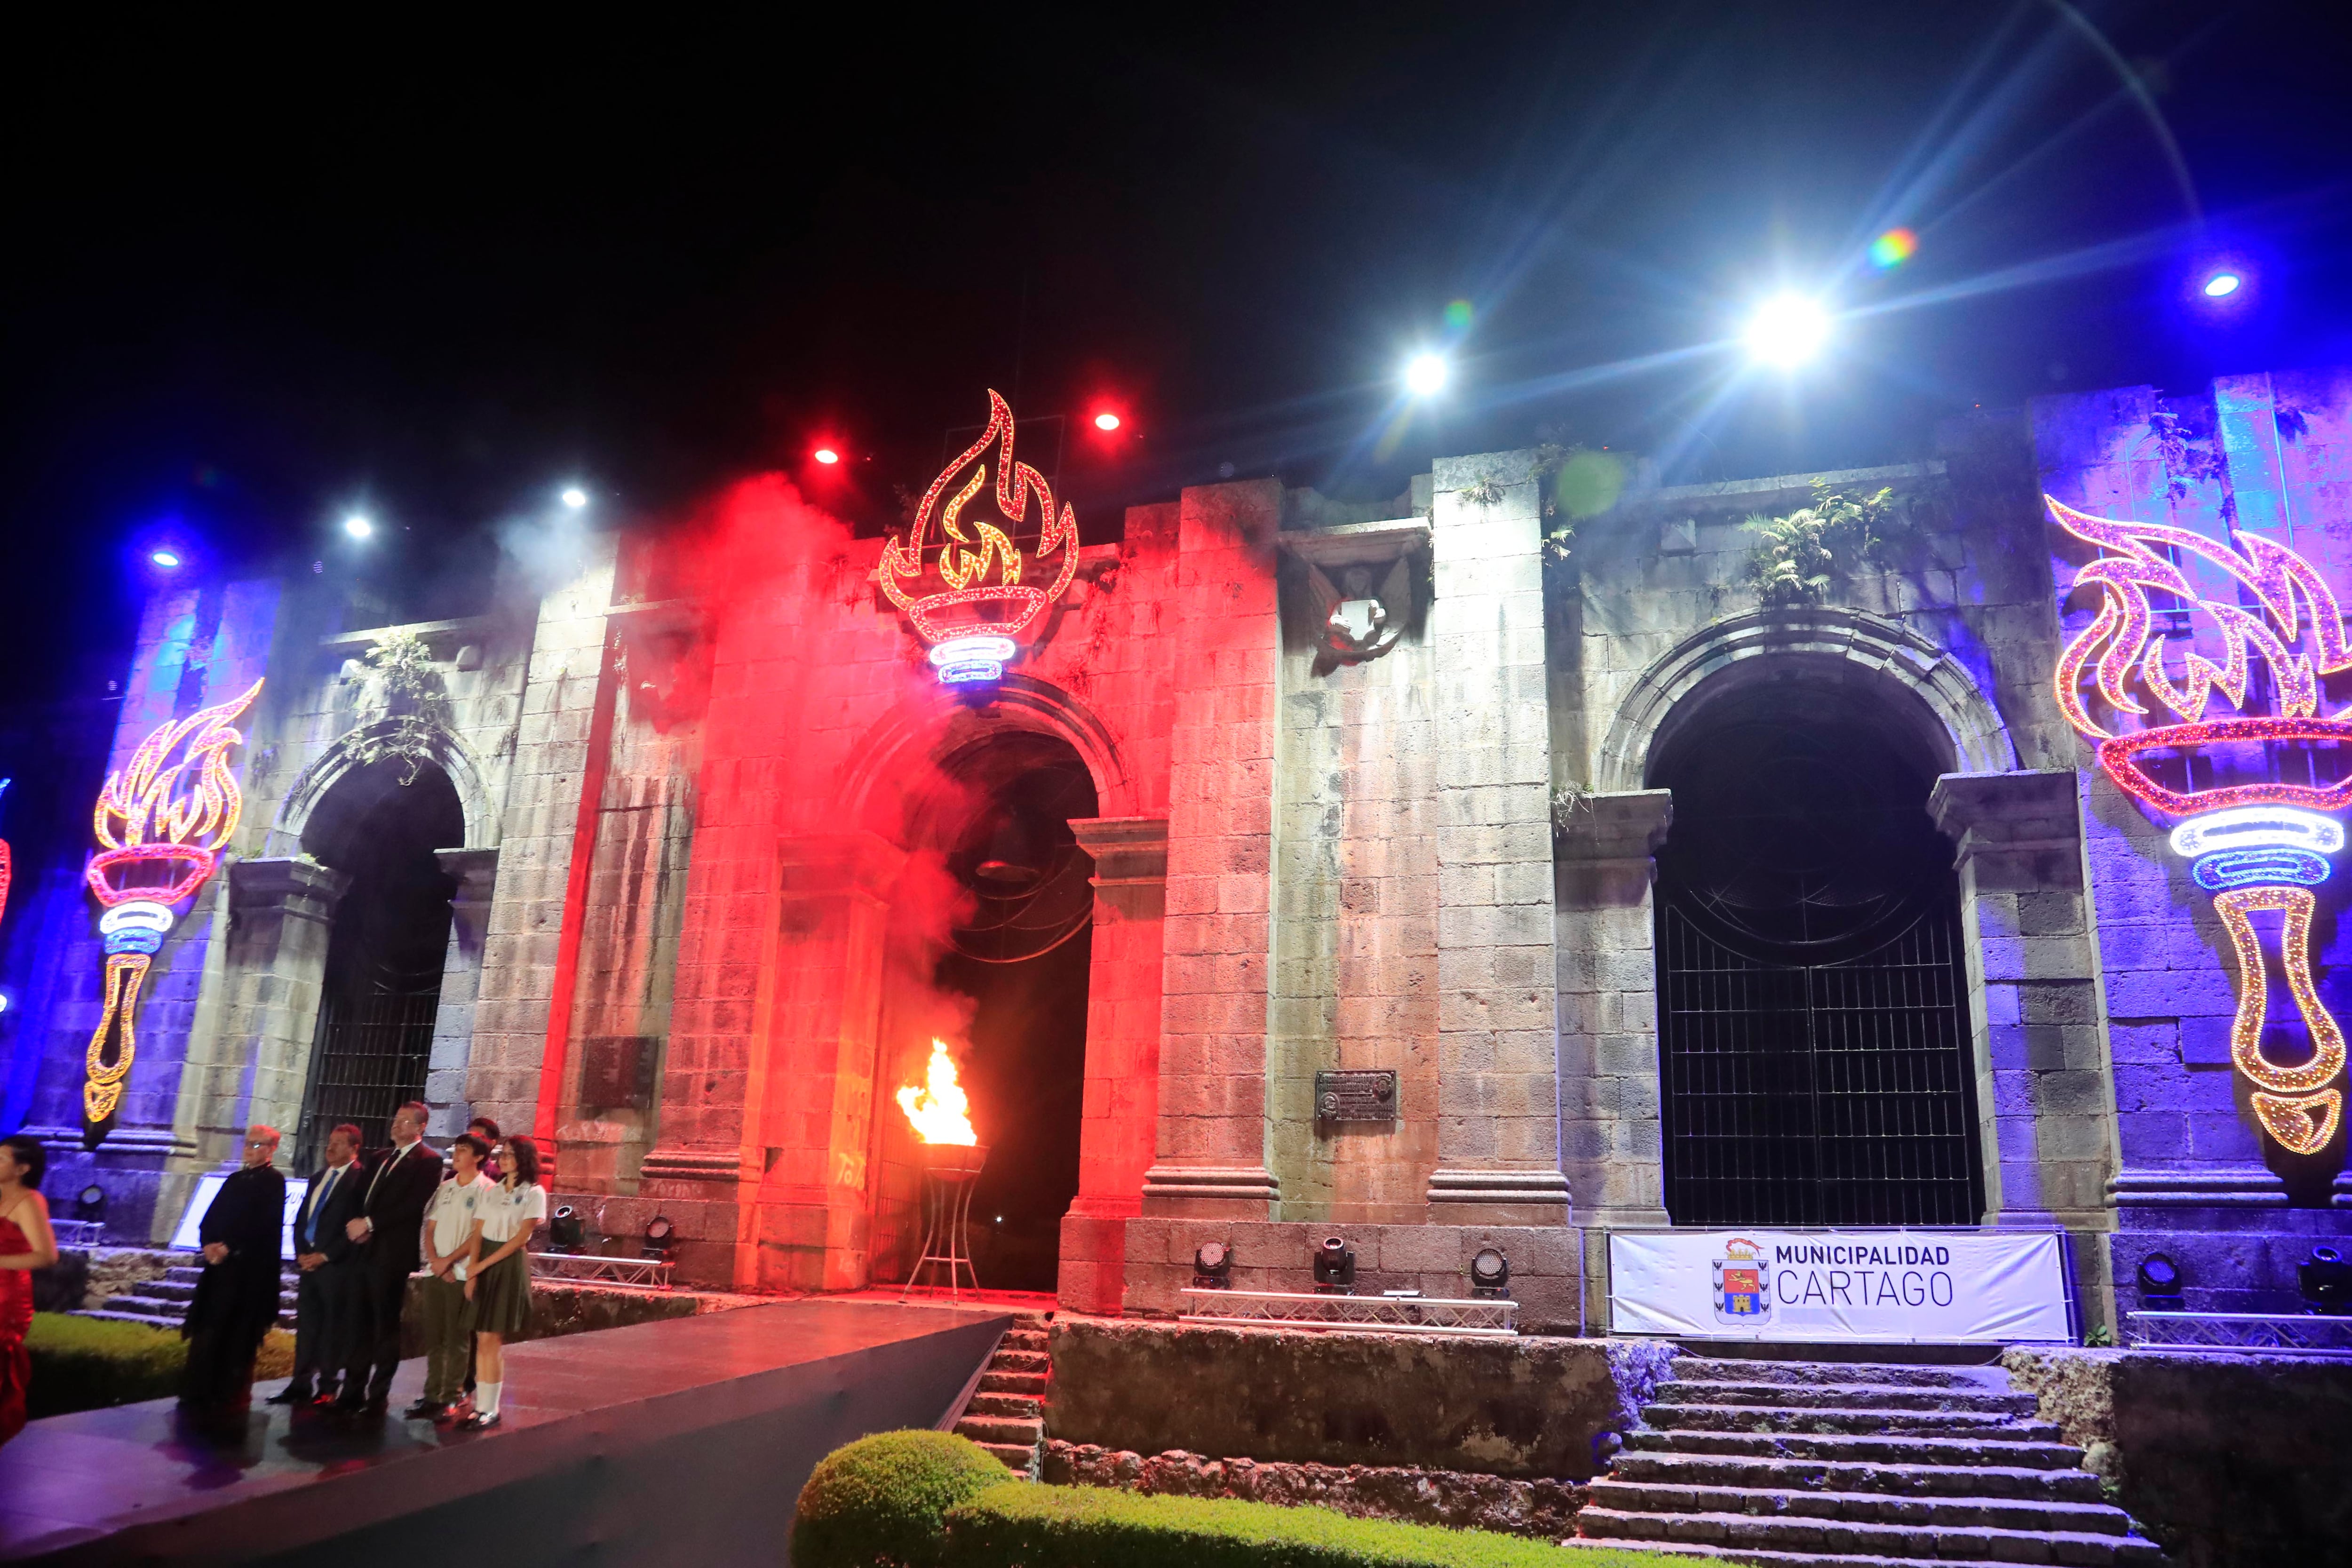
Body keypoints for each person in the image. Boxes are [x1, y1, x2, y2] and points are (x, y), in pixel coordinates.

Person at [179, 1124, 287, 1430]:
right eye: (248, 1143)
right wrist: (209, 1244)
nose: (250, 1149)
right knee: (209, 1329)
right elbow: (210, 1217)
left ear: (271, 1149)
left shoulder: (273, 1181)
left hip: (247, 1274)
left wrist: (230, 1247)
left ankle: (227, 1394)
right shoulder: (234, 1179)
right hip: (219, 1269)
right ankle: (198, 1390)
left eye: (257, 1144)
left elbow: (263, 1225)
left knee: (236, 1334)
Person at [337, 1101, 441, 1414]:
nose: (396, 1125)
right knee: (358, 1323)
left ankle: (378, 1393)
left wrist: (370, 1224)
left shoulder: (429, 1161)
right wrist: (356, 1223)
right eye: (396, 1119)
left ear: (421, 1127)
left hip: (391, 1254)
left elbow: (412, 1204)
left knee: (385, 1325)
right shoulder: (380, 1157)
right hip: (363, 1251)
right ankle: (351, 1390)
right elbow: (359, 1196)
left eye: (405, 1121)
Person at [269, 1122, 366, 1407]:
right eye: (330, 1141)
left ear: (354, 1149)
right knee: (308, 1326)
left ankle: (327, 1386)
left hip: (336, 1268)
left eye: (338, 1142)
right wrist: (301, 1251)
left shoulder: (360, 1180)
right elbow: (302, 1219)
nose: (330, 1147)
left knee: (331, 1329)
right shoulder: (318, 1177)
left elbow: (355, 1228)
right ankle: (299, 1384)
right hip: (308, 1264)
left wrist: (326, 1256)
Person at [461, 1134, 544, 1431]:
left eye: (510, 1154)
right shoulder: (492, 1191)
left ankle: (491, 1409)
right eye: (502, 1154)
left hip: (507, 1263)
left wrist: (483, 1264)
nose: (504, 1159)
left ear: (523, 1158)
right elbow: (478, 1232)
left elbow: (521, 1237)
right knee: (481, 1337)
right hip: (485, 1260)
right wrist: (473, 1270)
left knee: (492, 1338)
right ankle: (480, 1405)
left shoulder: (534, 1193)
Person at [410, 1133, 489, 1423]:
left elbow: (478, 1236)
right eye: (456, 1149)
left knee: (457, 1338)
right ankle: (432, 1394)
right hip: (436, 1271)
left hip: (459, 1273)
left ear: (479, 1157)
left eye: (464, 1150)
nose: (456, 1155)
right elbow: (429, 1227)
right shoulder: (445, 1188)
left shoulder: (486, 1190)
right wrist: (434, 1261)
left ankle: (453, 1395)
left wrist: (450, 1262)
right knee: (434, 1336)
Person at [0, 1135, 58, 1447]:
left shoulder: (29, 1201)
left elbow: (47, 1255)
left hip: (6, 1295)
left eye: (1, 1159)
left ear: (22, 1168)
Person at [467, 1117, 501, 1183]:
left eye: (478, 1138)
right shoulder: (453, 1174)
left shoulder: (497, 1176)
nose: (471, 1142)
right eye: (469, 1137)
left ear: (492, 1143)